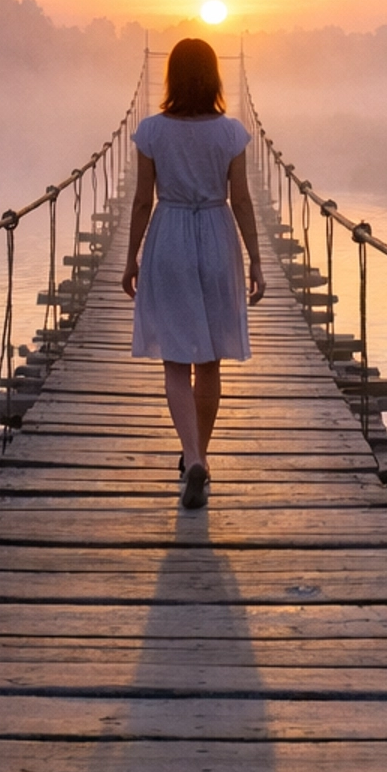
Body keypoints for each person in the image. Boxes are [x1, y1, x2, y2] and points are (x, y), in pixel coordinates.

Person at [121, 37, 265, 508]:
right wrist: (256, 260)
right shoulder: (231, 133)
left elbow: (141, 201)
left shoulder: (151, 131)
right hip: (218, 237)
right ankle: (200, 454)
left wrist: (131, 258)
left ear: (172, 77)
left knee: (175, 361)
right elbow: (242, 200)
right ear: (214, 77)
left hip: (170, 236)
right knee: (210, 362)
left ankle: (192, 456)